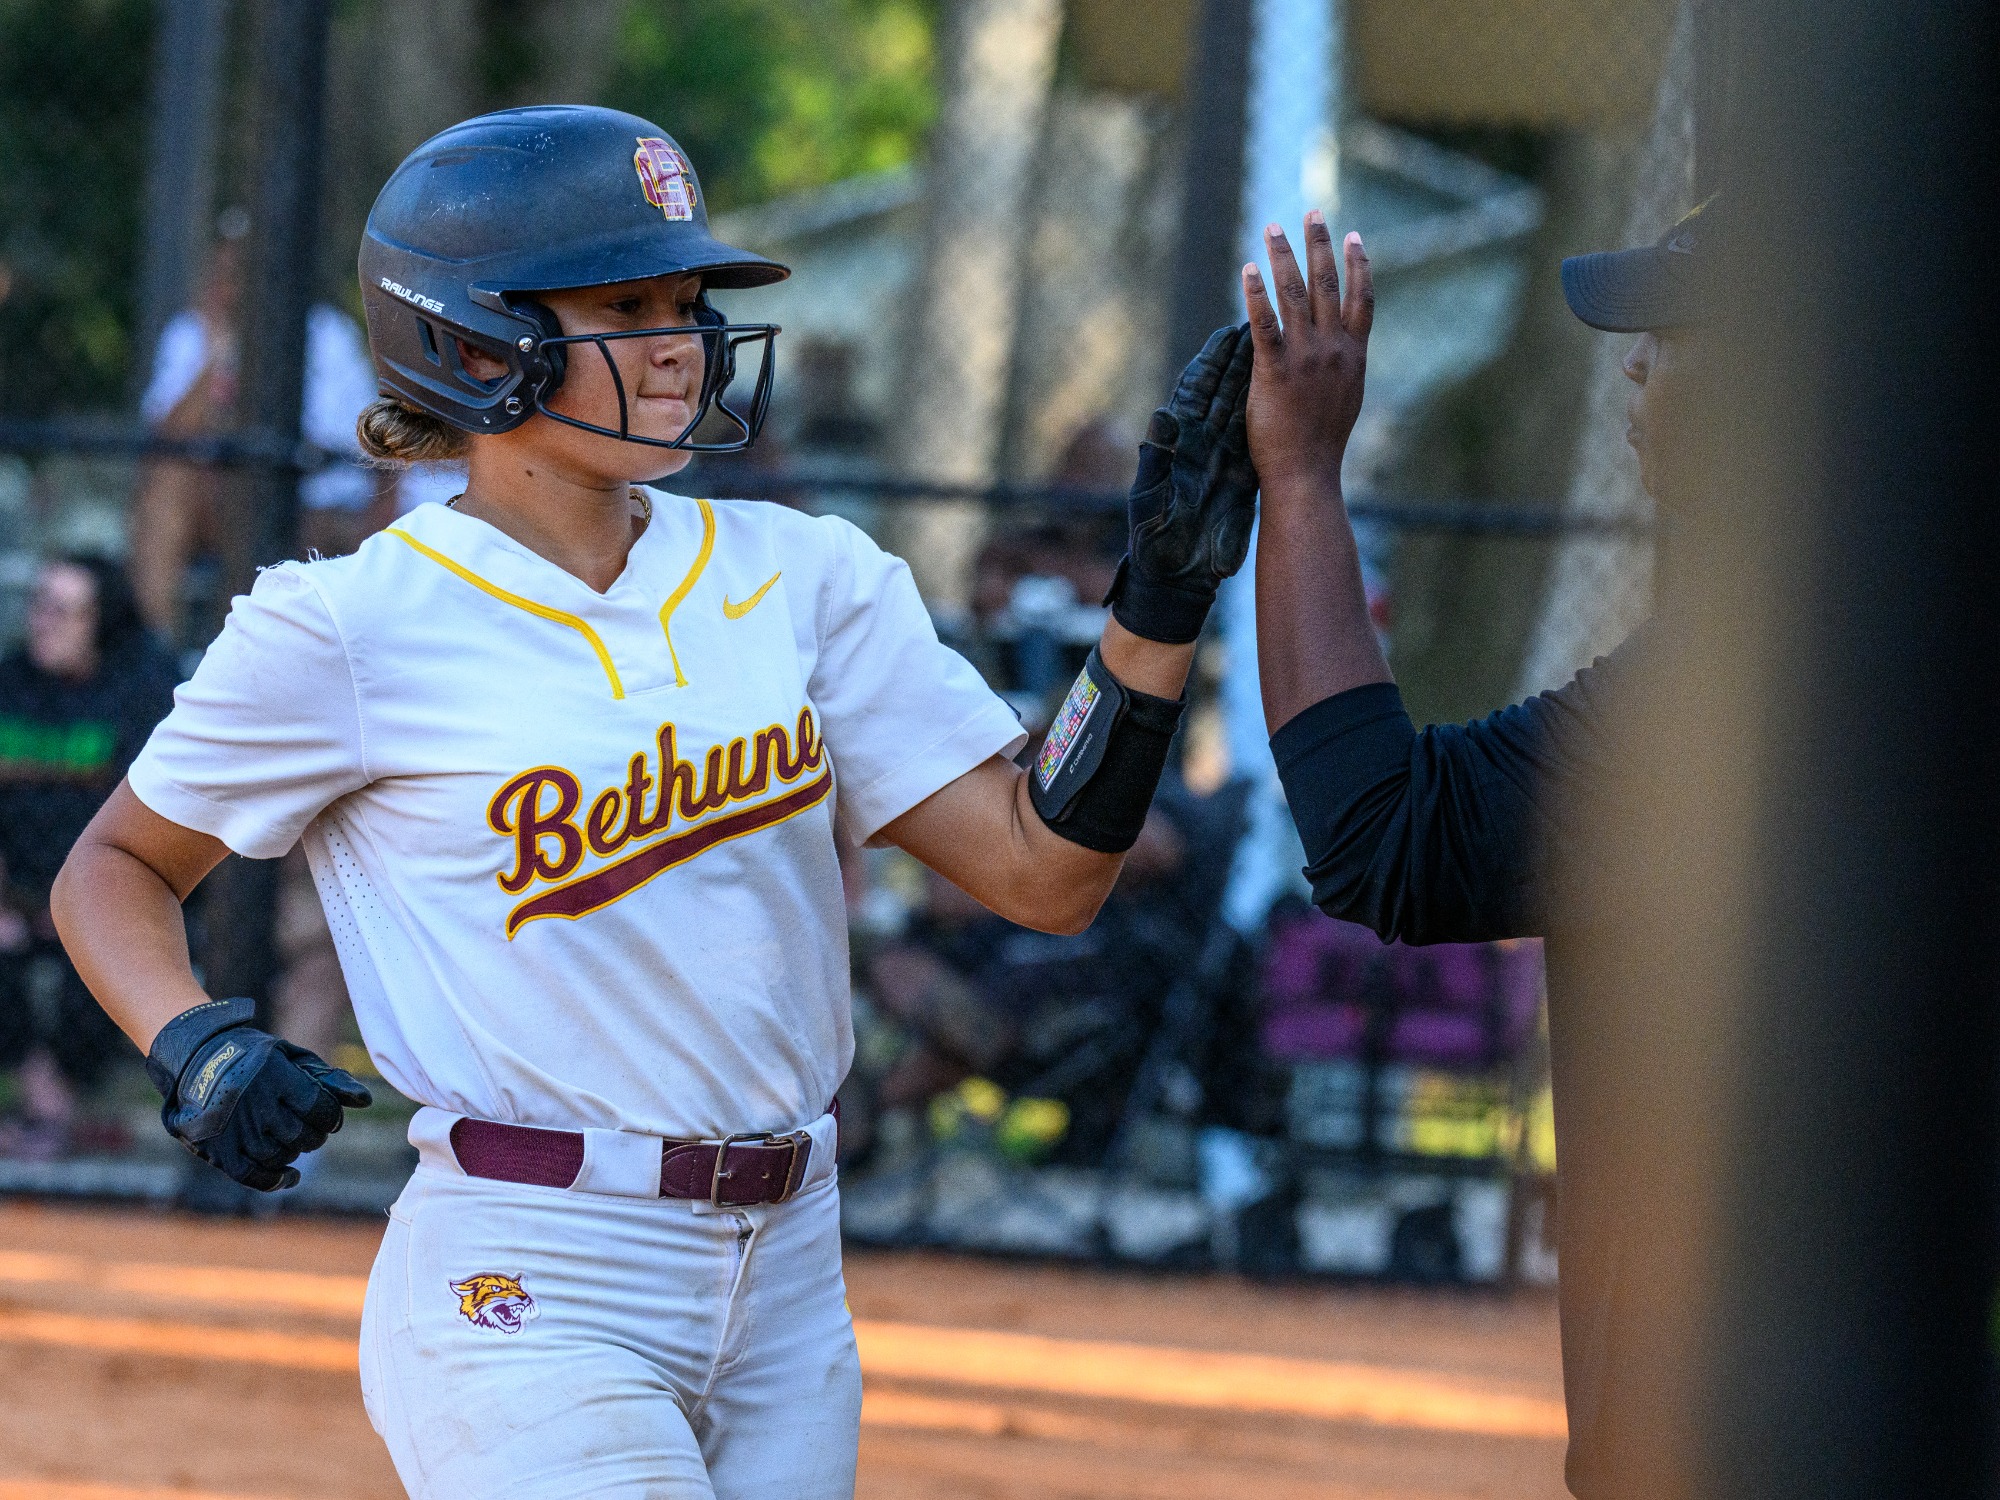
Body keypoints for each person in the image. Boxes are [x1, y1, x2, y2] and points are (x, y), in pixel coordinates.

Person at [51, 104, 1257, 1498]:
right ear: (471, 336)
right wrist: (196, 1043)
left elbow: (1047, 874)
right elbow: (116, 865)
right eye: (627, 303)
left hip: (793, 1271)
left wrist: (1154, 606)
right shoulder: (351, 625)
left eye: (687, 299)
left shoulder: (807, 576)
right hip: (530, 1272)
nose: (682, 338)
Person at [1240, 200, 1719, 1494]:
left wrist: (1296, 482)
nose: (1635, 365)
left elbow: (1388, 838)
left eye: (1668, 336)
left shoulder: (1728, 692)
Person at [131, 212, 386, 639]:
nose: (236, 276)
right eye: (227, 263)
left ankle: (240, 658)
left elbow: (362, 444)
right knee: (167, 488)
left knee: (266, 494)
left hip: (310, 501)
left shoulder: (328, 334)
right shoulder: (193, 333)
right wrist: (216, 355)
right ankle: (157, 657)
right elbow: (166, 439)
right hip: (216, 498)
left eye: (247, 264)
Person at [0, 556, 178, 1152]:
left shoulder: (140, 691)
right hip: (11, 891)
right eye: (39, 604)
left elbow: (156, 822)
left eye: (65, 610)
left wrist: (78, 899)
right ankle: (48, 1109)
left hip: (103, 889)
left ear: (101, 622)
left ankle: (49, 1113)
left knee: (106, 950)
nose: (44, 622)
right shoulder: (8, 680)